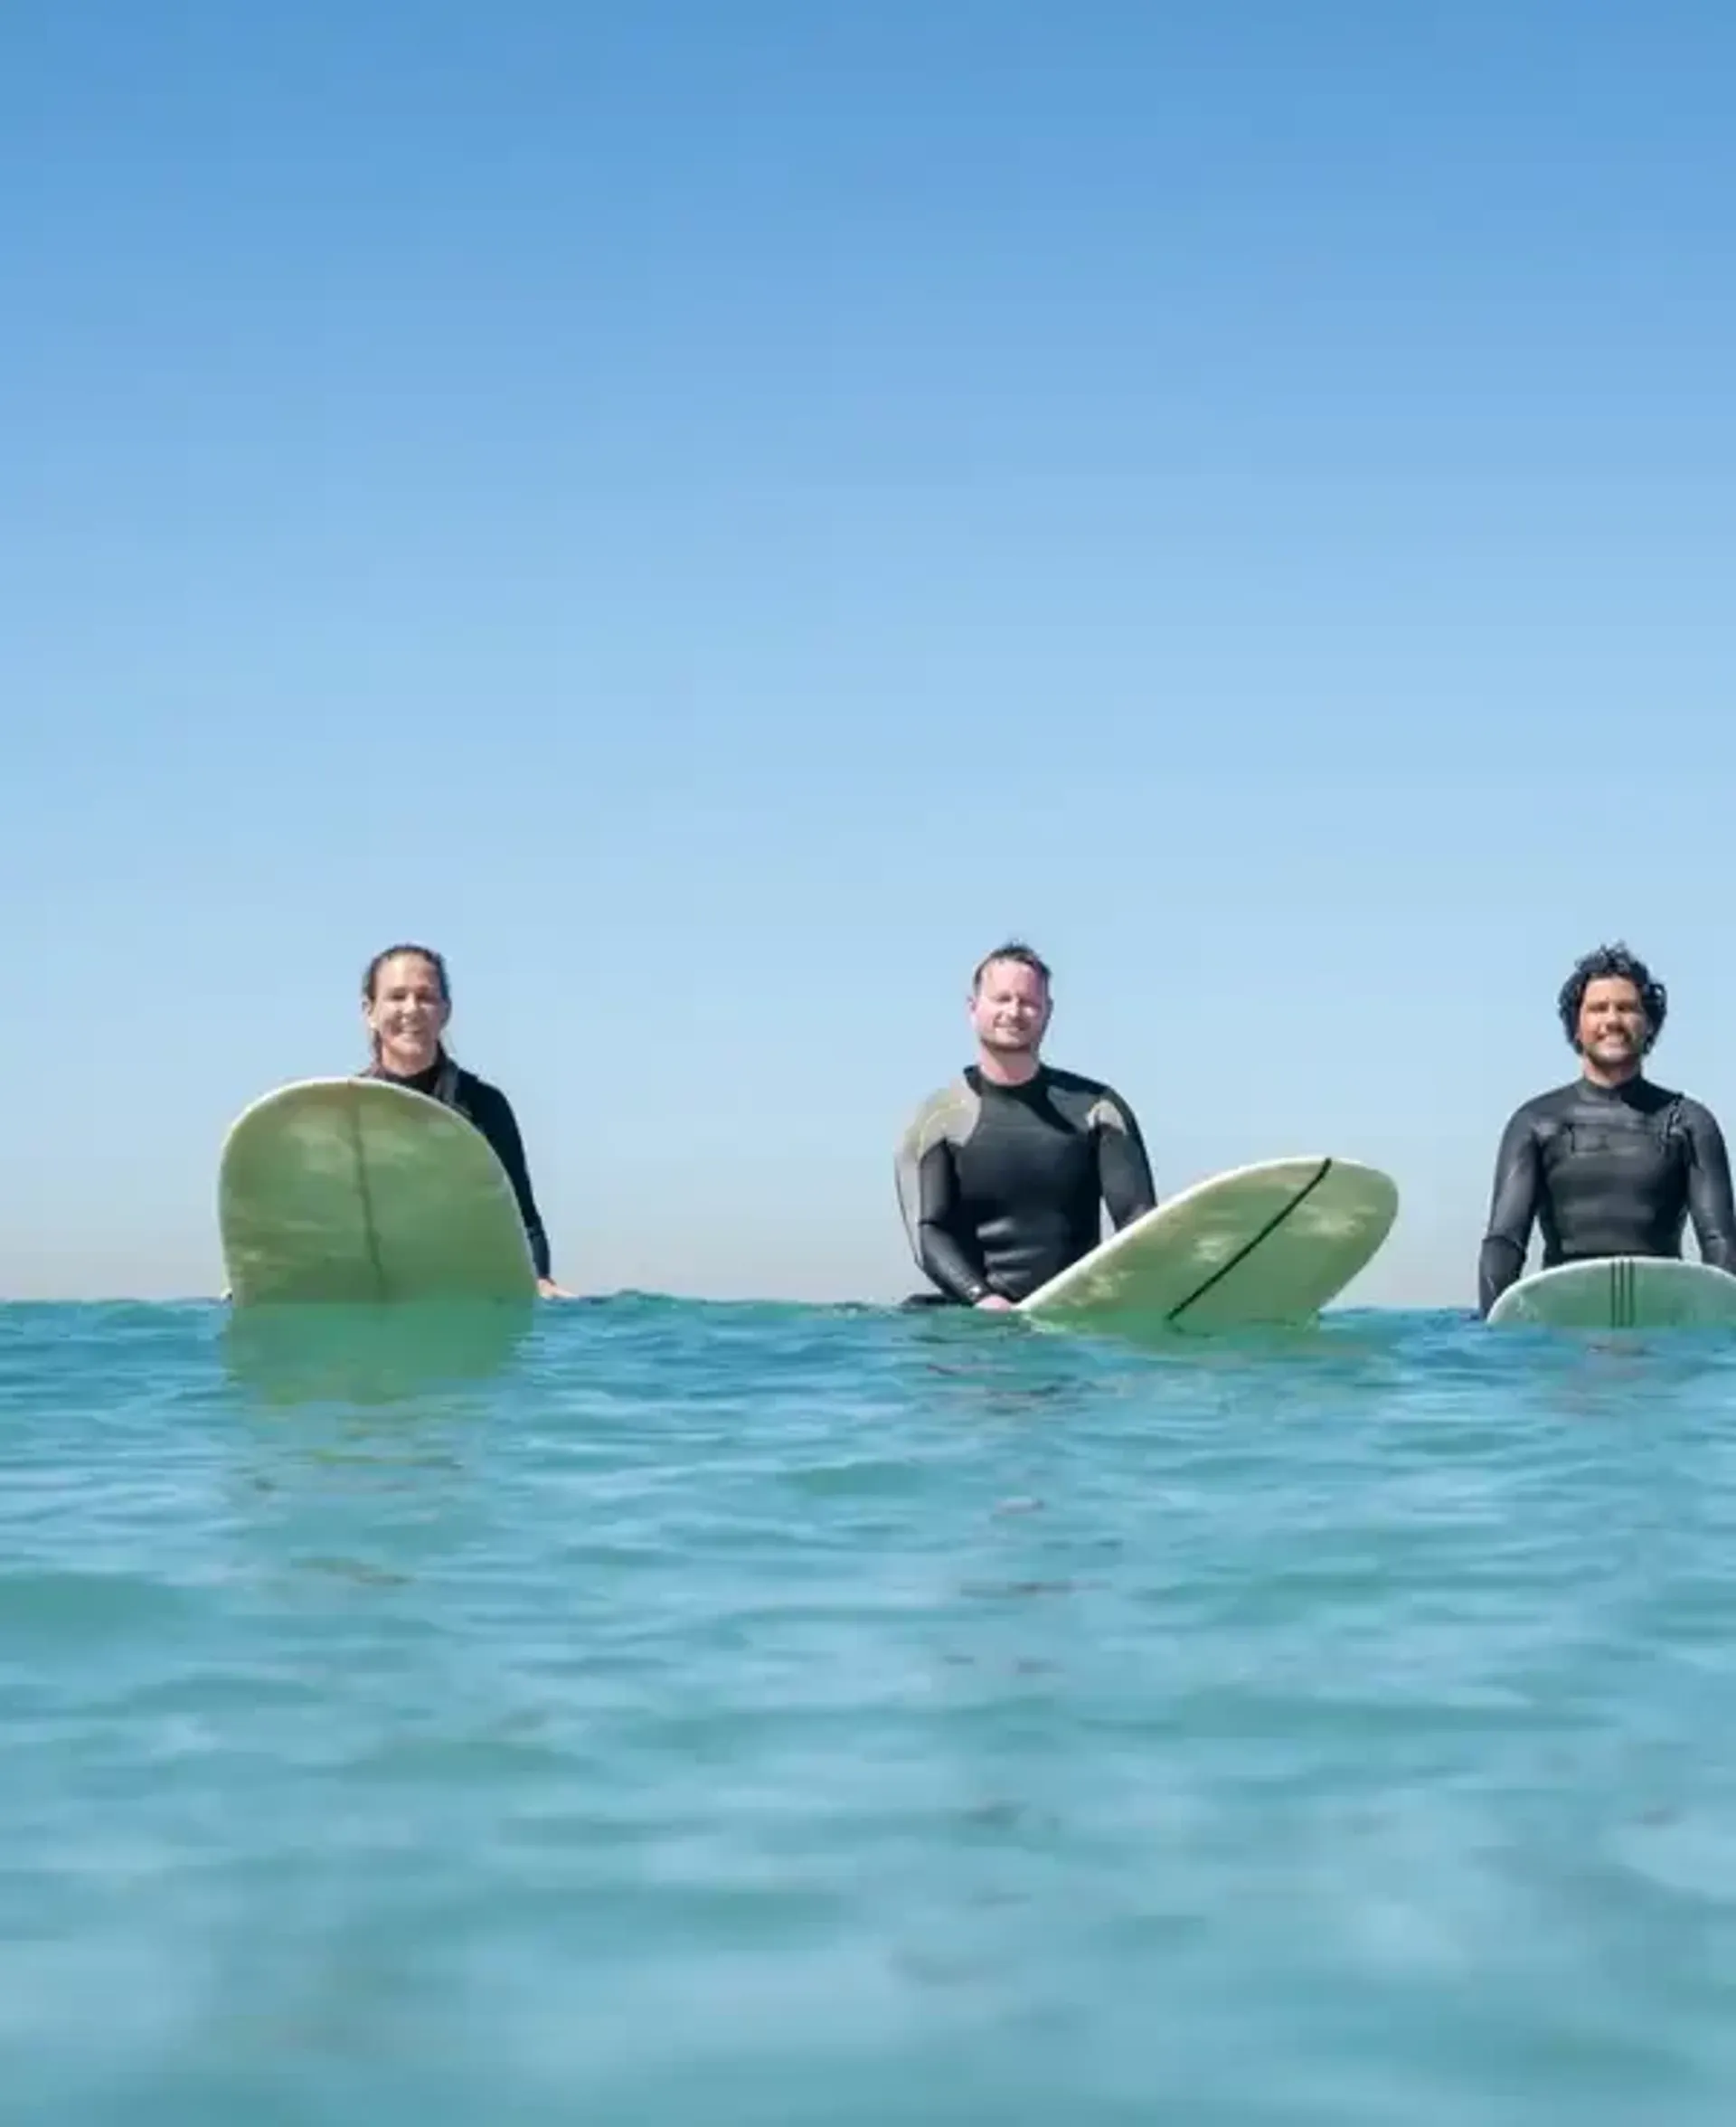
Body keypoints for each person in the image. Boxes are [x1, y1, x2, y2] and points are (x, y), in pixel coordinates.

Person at [1477, 941, 1736, 1316]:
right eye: (1598, 1008)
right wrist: (1491, 1330)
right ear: (1577, 1028)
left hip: (1660, 1323)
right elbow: (1504, 1241)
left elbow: (1721, 1243)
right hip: (1563, 1323)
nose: (1612, 1019)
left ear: (1649, 1025)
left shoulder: (1689, 1122)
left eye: (1627, 1008)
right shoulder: (1535, 1122)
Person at [896, 941, 1156, 1309]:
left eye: (1029, 1002)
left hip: (1071, 1319)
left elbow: (1137, 1221)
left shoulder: (1098, 1108)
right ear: (973, 1009)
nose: (1015, 1011)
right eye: (1002, 999)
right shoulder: (938, 1118)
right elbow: (929, 1234)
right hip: (974, 1327)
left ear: (1048, 1012)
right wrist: (984, 1300)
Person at [362, 942, 567, 1298]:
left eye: (425, 997)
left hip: (463, 1297)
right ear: (370, 1011)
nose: (412, 1009)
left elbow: (523, 1219)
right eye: (397, 996)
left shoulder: (485, 1105)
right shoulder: (346, 1109)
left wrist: (538, 1279)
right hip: (377, 1295)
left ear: (445, 1012)